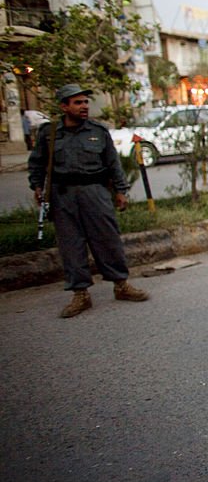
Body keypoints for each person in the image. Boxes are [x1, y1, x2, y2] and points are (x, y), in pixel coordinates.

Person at [27, 84, 149, 318]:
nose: (84, 107)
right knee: (71, 244)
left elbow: (113, 164)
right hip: (63, 195)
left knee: (107, 238)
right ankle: (80, 294)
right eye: (78, 103)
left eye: (85, 102)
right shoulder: (49, 133)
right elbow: (38, 163)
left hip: (95, 192)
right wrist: (36, 186)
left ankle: (121, 285)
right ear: (64, 107)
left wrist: (121, 191)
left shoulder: (98, 131)